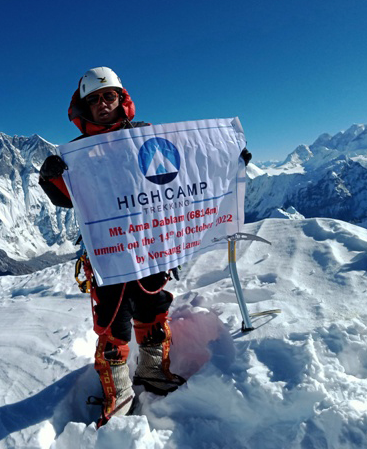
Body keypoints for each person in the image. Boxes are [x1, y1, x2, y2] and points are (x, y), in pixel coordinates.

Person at [38, 67, 251, 427]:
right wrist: (52, 178)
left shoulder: (147, 136)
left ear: (122, 100)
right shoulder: (77, 156)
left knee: (153, 304)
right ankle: (118, 389)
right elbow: (68, 200)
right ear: (83, 107)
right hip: (109, 250)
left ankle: (152, 371)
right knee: (112, 320)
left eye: (109, 96)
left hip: (151, 241)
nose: (103, 104)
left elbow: (190, 168)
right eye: (94, 99)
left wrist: (229, 160)